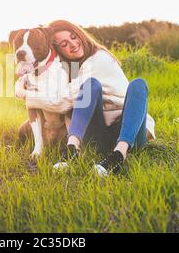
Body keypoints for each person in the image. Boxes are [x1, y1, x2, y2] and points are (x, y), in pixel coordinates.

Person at [15, 20, 155, 176]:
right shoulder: (73, 69)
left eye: (73, 37)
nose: (72, 44)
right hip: (100, 135)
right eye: (64, 44)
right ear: (59, 51)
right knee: (91, 86)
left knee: (138, 85)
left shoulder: (98, 59)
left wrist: (25, 94)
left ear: (80, 34)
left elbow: (62, 102)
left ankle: (117, 156)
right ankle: (71, 152)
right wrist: (23, 82)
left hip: (129, 132)